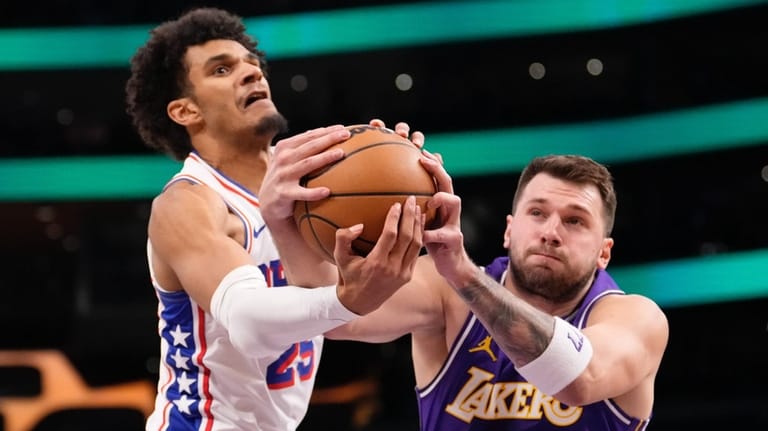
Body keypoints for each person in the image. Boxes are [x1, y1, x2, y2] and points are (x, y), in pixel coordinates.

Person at [125, 7, 425, 431]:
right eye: (222, 69)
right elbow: (249, 321)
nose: (252, 74)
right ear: (185, 111)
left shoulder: (313, 193)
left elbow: (350, 318)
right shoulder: (187, 203)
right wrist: (346, 297)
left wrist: (408, 187)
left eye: (252, 64)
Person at [326, 153, 670, 430]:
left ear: (604, 252)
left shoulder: (638, 319)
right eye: (537, 212)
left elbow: (579, 379)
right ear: (509, 230)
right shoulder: (443, 291)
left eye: (574, 221)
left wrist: (464, 275)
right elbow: (333, 317)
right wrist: (285, 212)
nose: (551, 232)